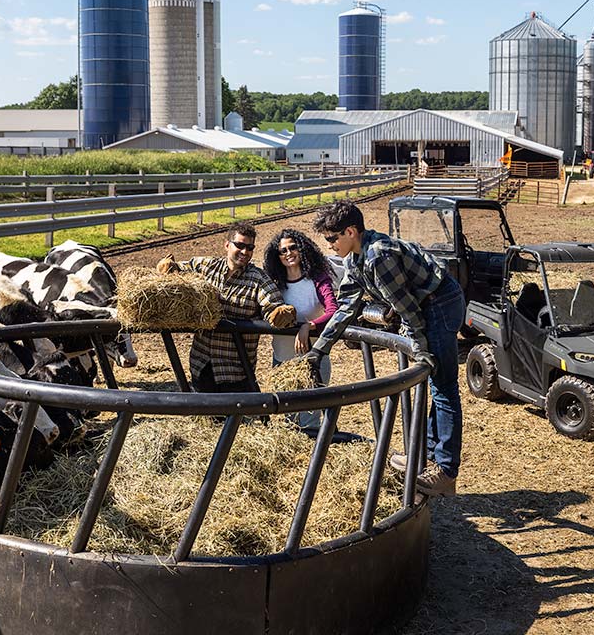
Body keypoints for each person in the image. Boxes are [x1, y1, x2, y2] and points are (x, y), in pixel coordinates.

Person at [303, 200, 464, 497]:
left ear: (351, 232)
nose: (329, 245)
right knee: (434, 383)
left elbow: (407, 308)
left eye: (332, 238)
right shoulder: (354, 260)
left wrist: (420, 345)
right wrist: (320, 348)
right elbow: (346, 307)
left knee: (443, 386)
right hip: (423, 303)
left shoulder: (378, 256)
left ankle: (445, 470)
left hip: (440, 302)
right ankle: (426, 458)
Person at [159, 222, 290, 394]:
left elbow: (271, 304)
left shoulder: (258, 279)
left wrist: (278, 312)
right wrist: (170, 267)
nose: (245, 252)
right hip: (202, 363)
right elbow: (181, 270)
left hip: (235, 370)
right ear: (227, 245)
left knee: (237, 411)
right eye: (240, 245)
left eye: (250, 248)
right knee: (203, 408)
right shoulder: (206, 266)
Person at [263, 228, 339, 431]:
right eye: (283, 251)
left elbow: (333, 310)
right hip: (282, 360)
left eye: (293, 248)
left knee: (309, 422)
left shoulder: (317, 279)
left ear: (302, 249)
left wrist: (310, 325)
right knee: (288, 420)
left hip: (312, 361)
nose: (288, 253)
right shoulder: (274, 284)